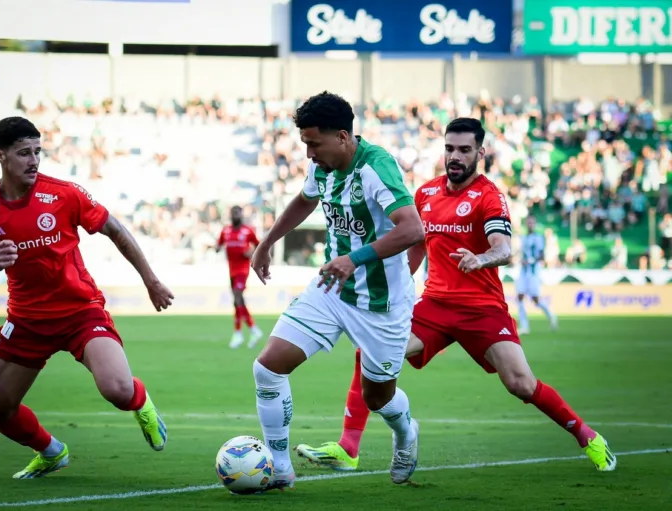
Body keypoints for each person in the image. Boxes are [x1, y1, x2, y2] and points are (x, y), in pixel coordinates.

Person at [296, 117, 616, 474]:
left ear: (480, 152)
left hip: (482, 309)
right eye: (449, 148)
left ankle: (587, 436)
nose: (455, 156)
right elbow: (415, 248)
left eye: (464, 150)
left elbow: (504, 248)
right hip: (434, 306)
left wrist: (481, 258)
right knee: (371, 350)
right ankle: (348, 448)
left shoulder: (489, 196)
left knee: (521, 384)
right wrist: (401, 288)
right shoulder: (426, 194)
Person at [0, 117, 174, 479]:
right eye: (24, 153)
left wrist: (151, 280)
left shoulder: (63, 193)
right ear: (0, 156)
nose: (34, 160)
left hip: (80, 313)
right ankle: (52, 451)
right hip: (26, 322)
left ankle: (141, 402)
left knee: (117, 390)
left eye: (38, 151)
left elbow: (115, 229)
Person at [249, 91, 425, 490]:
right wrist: (267, 241)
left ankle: (406, 431)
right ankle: (279, 468)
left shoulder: (376, 168)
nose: (309, 153)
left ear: (343, 137)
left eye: (314, 143)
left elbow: (413, 229)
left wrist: (355, 258)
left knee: (378, 397)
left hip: (381, 303)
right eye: (305, 144)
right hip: (331, 289)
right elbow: (304, 200)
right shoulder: (323, 167)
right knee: (268, 367)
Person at [216, 205, 263, 349]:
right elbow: (218, 246)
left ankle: (241, 333)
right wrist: (216, 247)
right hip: (231, 271)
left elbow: (259, 245)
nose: (237, 215)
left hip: (243, 270)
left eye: (239, 213)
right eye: (234, 213)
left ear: (241, 215)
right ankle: (251, 331)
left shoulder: (247, 231)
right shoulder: (226, 231)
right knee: (237, 301)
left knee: (237, 297)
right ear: (231, 215)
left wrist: (252, 252)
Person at [516, 216, 557, 334]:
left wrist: (531, 260)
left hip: (534, 271)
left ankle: (551, 315)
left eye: (532, 222)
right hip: (524, 271)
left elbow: (541, 255)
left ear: (535, 224)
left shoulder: (538, 237)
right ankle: (524, 326)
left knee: (535, 299)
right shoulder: (523, 238)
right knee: (520, 296)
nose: (530, 224)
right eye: (528, 222)